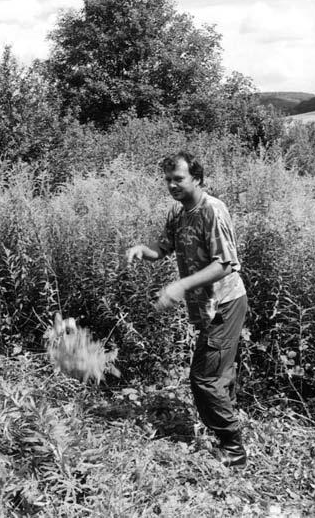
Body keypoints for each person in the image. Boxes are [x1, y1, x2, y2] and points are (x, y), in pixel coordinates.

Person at [126, 151, 248, 467]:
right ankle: (229, 425)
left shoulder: (213, 211)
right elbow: (163, 248)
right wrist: (144, 251)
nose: (172, 185)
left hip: (225, 303)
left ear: (196, 178)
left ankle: (233, 449)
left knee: (204, 379)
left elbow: (226, 264)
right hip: (206, 306)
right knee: (218, 372)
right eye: (167, 179)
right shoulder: (179, 214)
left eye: (178, 179)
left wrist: (181, 286)